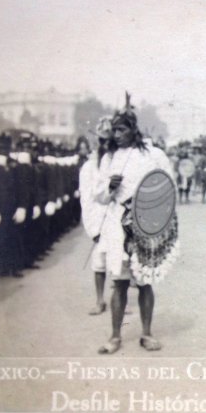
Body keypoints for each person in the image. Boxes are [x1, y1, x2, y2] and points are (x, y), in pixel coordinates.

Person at [94, 95, 177, 354]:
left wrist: (157, 214)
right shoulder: (109, 158)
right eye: (114, 130)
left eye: (122, 129)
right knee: (118, 282)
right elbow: (97, 194)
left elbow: (168, 185)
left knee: (145, 281)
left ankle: (147, 334)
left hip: (146, 225)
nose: (116, 134)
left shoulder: (153, 154)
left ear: (133, 129)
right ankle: (115, 336)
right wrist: (109, 186)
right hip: (118, 226)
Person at [79, 116, 112, 315]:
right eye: (103, 141)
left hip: (118, 219)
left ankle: (120, 299)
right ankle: (100, 300)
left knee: (120, 263)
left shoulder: (119, 162)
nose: (106, 145)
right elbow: (86, 200)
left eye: (110, 141)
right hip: (99, 220)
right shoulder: (88, 168)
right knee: (99, 261)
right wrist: (93, 229)